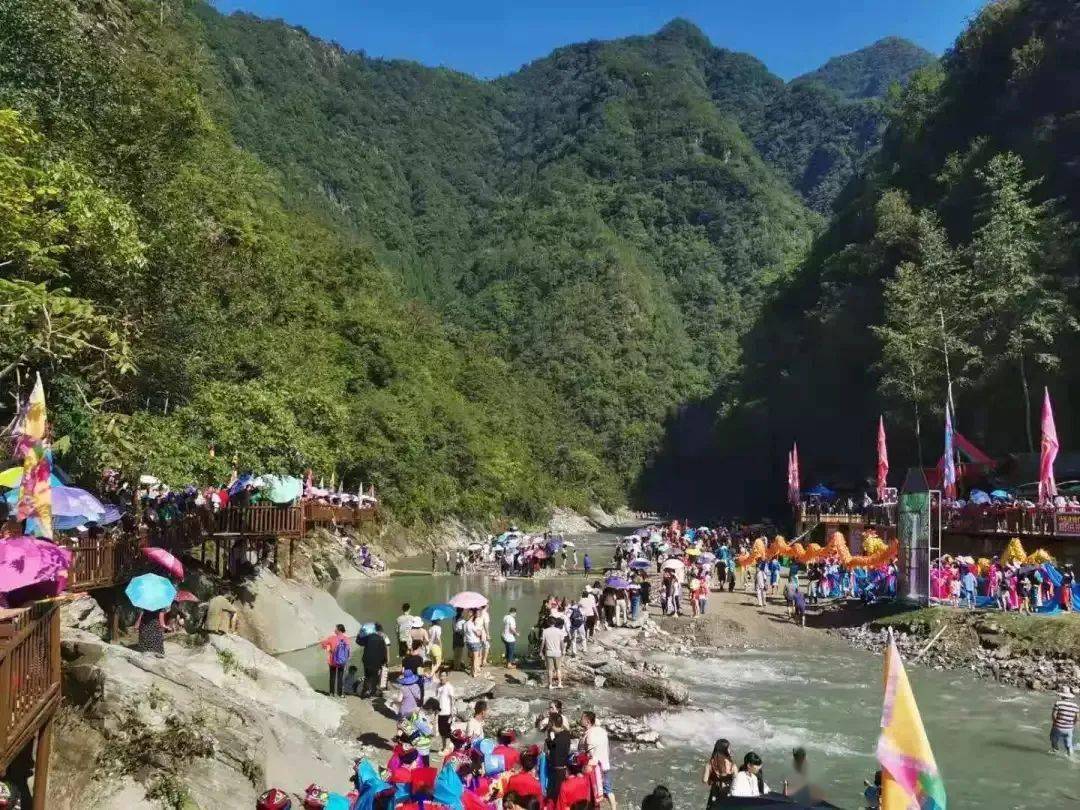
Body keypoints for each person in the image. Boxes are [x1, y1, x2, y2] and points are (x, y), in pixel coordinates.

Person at [579, 710, 614, 810]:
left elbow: (590, 755)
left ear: (587, 722)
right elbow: (606, 748)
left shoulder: (589, 735)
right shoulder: (602, 731)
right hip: (605, 764)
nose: (580, 720)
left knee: (593, 793)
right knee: (608, 790)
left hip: (594, 768)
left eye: (582, 718)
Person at [544, 713, 572, 803]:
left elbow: (551, 750)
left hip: (556, 772)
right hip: (563, 769)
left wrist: (549, 740)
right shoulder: (567, 734)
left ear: (552, 724)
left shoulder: (556, 740)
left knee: (553, 797)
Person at [702, 738, 736, 809]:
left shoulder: (710, 764)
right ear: (725, 750)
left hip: (715, 792)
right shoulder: (732, 764)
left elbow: (704, 780)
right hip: (728, 792)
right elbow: (737, 779)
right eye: (729, 748)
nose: (730, 750)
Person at [321, 623, 351, 697]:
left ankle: (331, 693)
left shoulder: (332, 638)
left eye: (336, 628)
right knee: (340, 677)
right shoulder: (346, 639)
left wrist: (324, 643)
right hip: (342, 661)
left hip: (332, 661)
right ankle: (340, 693)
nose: (334, 630)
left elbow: (324, 645)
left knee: (332, 677)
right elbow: (348, 650)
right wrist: (346, 660)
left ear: (339, 630)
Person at [360, 623, 389, 697]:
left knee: (367, 676)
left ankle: (364, 692)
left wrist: (360, 633)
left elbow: (359, 642)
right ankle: (372, 693)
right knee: (374, 676)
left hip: (366, 660)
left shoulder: (368, 636)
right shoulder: (381, 639)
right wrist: (385, 661)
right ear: (380, 630)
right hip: (376, 661)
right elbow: (384, 651)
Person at [1050, 686, 1077, 757]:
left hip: (1058, 727)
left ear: (1062, 695)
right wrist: (1072, 725)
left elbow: (1054, 714)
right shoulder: (1075, 706)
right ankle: (1071, 757)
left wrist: (1055, 723)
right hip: (1069, 728)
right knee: (1069, 744)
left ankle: (1055, 752)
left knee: (1053, 739)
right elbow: (1077, 718)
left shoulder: (1058, 703)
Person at [541, 616, 567, 689]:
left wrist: (540, 651)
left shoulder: (545, 631)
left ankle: (550, 685)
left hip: (549, 652)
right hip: (557, 652)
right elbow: (562, 643)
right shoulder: (559, 631)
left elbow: (543, 642)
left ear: (548, 622)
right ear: (555, 622)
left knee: (550, 670)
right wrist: (563, 651)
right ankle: (559, 684)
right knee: (558, 669)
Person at [435, 668, 456, 753]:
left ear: (447, 677)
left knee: (447, 731)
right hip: (440, 713)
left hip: (447, 713)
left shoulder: (449, 687)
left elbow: (452, 700)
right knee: (441, 731)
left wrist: (452, 713)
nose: (442, 677)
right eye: (441, 675)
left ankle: (447, 748)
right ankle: (444, 747)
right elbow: (436, 698)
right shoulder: (438, 686)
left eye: (444, 676)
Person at [464, 609, 483, 677]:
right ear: (473, 615)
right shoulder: (471, 624)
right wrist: (480, 631)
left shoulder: (465, 623)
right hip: (474, 642)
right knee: (475, 658)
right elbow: (478, 634)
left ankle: (471, 671)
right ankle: (475, 673)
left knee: (472, 658)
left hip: (468, 642)